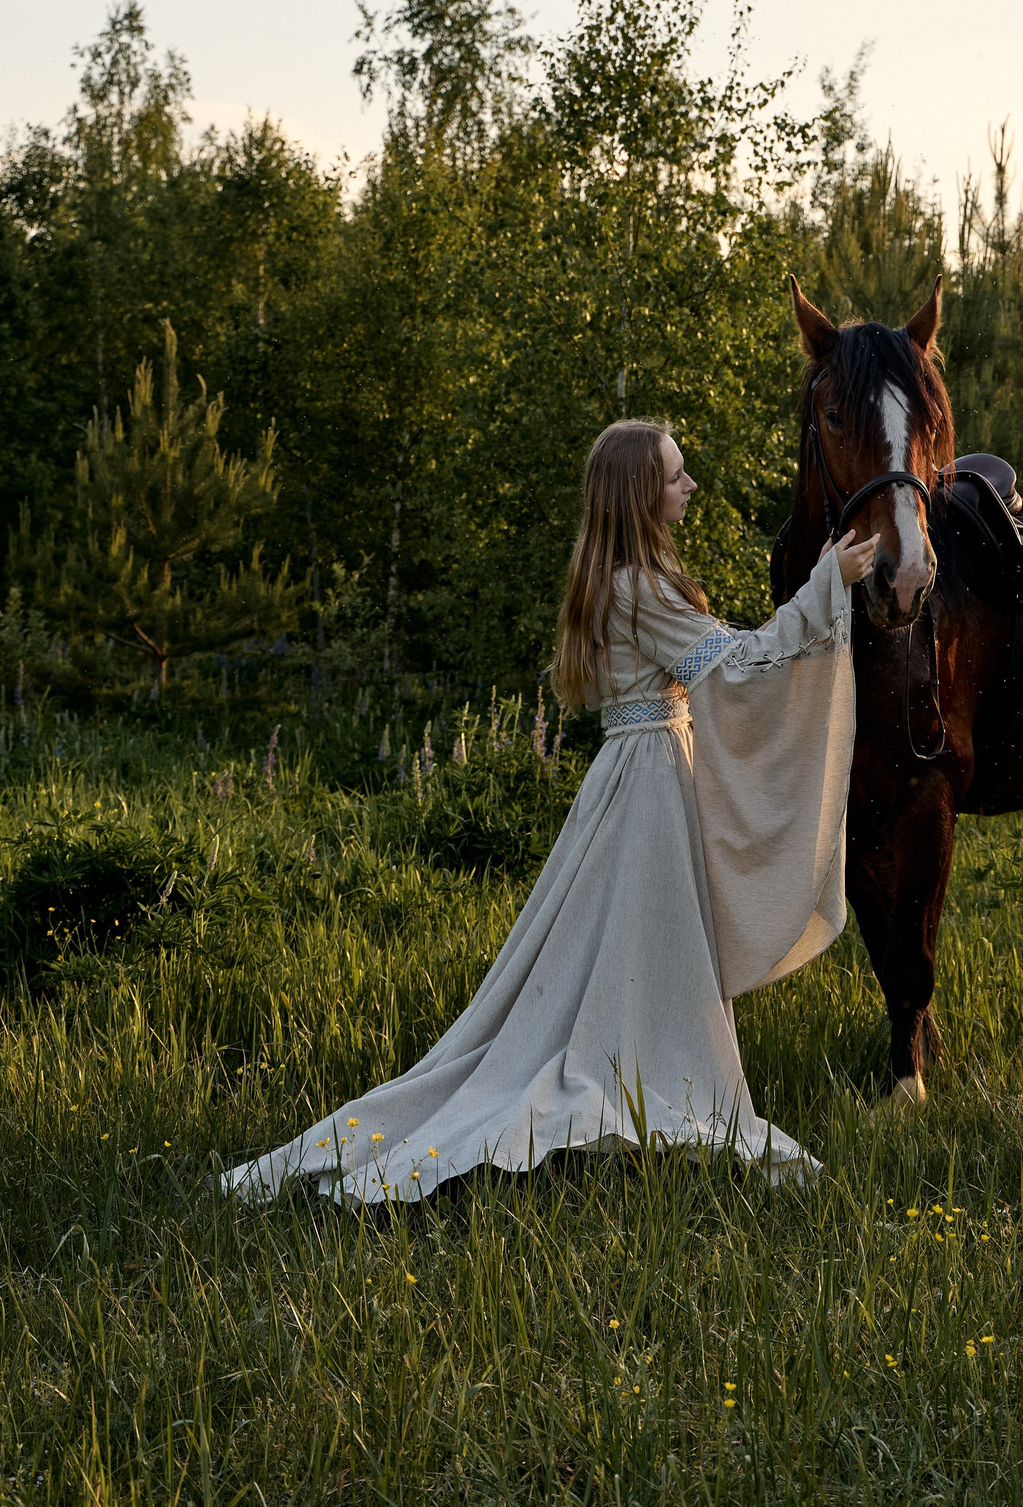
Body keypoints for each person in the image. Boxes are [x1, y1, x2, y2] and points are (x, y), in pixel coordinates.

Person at [223, 420, 877, 1201]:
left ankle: (624, 1065)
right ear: (641, 495)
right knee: (649, 943)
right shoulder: (639, 586)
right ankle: (634, 1082)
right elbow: (737, 665)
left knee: (625, 945)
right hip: (650, 786)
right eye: (675, 476)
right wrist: (823, 587)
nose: (690, 486)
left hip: (635, 772)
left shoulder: (618, 579)